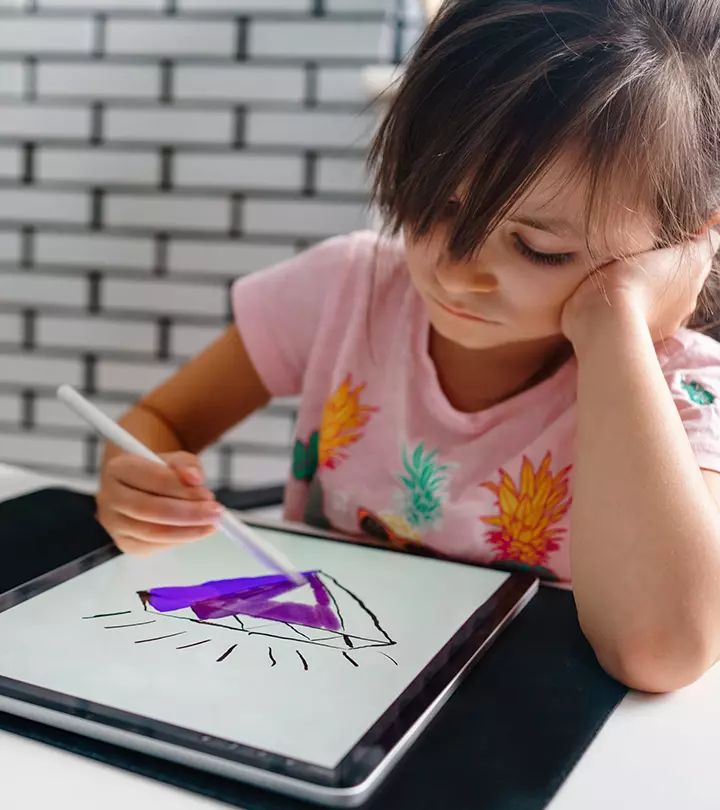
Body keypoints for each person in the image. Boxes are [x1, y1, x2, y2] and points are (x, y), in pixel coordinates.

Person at [97, 0, 720, 692]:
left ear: (684, 238)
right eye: (439, 203)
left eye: (539, 249)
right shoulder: (349, 288)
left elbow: (661, 651)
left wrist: (613, 326)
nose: (455, 271)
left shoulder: (683, 390)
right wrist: (136, 481)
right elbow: (158, 425)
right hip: (315, 687)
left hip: (503, 732)